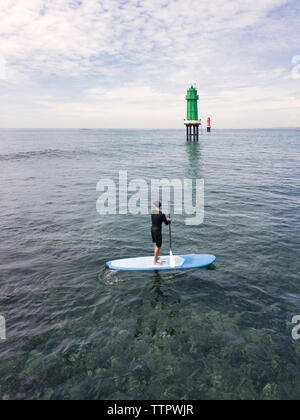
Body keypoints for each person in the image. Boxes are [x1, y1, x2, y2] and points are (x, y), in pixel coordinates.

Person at [151, 201, 172, 266]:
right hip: (157, 231)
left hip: (152, 229)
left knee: (156, 244)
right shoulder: (162, 214)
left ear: (156, 206)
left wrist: (166, 219)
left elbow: (157, 219)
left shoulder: (152, 212)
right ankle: (155, 261)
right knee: (158, 246)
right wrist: (169, 220)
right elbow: (166, 223)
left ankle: (156, 257)